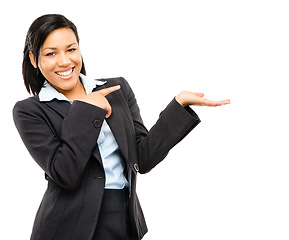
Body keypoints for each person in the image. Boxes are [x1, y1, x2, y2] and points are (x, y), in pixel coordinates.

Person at [13, 14, 230, 240]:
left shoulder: (117, 89)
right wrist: (86, 110)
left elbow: (142, 159)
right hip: (67, 226)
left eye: (71, 49)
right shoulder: (29, 110)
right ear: (33, 58)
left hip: (123, 219)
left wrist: (178, 106)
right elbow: (65, 173)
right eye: (51, 53)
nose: (65, 61)